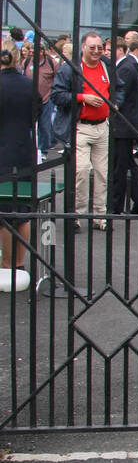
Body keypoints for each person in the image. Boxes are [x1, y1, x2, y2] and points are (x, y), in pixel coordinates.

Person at [51, 32, 112, 230]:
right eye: (92, 47)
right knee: (82, 171)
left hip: (102, 126)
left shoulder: (106, 66)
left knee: (103, 173)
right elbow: (56, 95)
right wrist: (82, 97)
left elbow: (119, 87)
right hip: (80, 126)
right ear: (83, 47)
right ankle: (76, 215)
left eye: (99, 48)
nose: (96, 51)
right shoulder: (70, 69)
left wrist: (115, 103)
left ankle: (100, 216)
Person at [0, 39, 36, 292]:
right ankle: (18, 264)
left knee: (3, 212)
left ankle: (5, 264)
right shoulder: (28, 85)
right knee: (22, 209)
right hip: (24, 150)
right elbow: (37, 114)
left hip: (2, 151)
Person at [110, 36, 138, 215]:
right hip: (126, 123)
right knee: (127, 164)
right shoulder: (127, 66)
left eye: (109, 50)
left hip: (123, 124)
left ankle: (117, 206)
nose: (107, 53)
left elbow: (121, 97)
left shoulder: (125, 68)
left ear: (120, 50)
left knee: (121, 167)